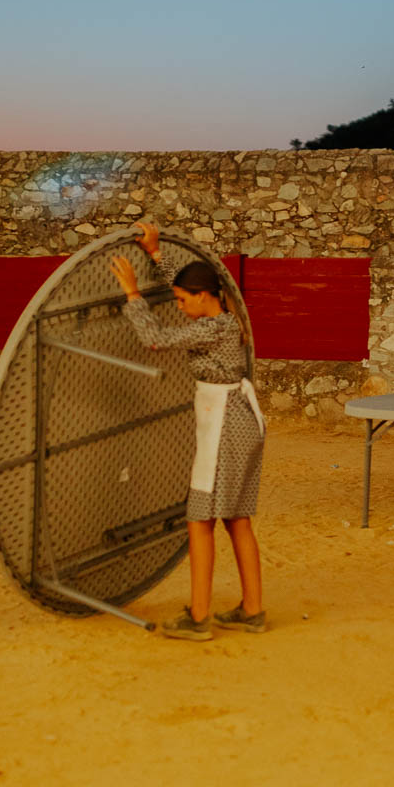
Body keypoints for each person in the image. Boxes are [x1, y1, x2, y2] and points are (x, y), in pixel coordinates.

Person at [111, 223, 266, 641]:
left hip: (224, 425)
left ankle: (199, 617)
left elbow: (156, 340)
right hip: (237, 420)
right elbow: (188, 288)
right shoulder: (224, 316)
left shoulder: (212, 327)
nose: (178, 304)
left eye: (182, 299)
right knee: (236, 518)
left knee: (199, 519)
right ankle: (252, 610)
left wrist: (132, 294)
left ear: (203, 296)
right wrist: (158, 254)